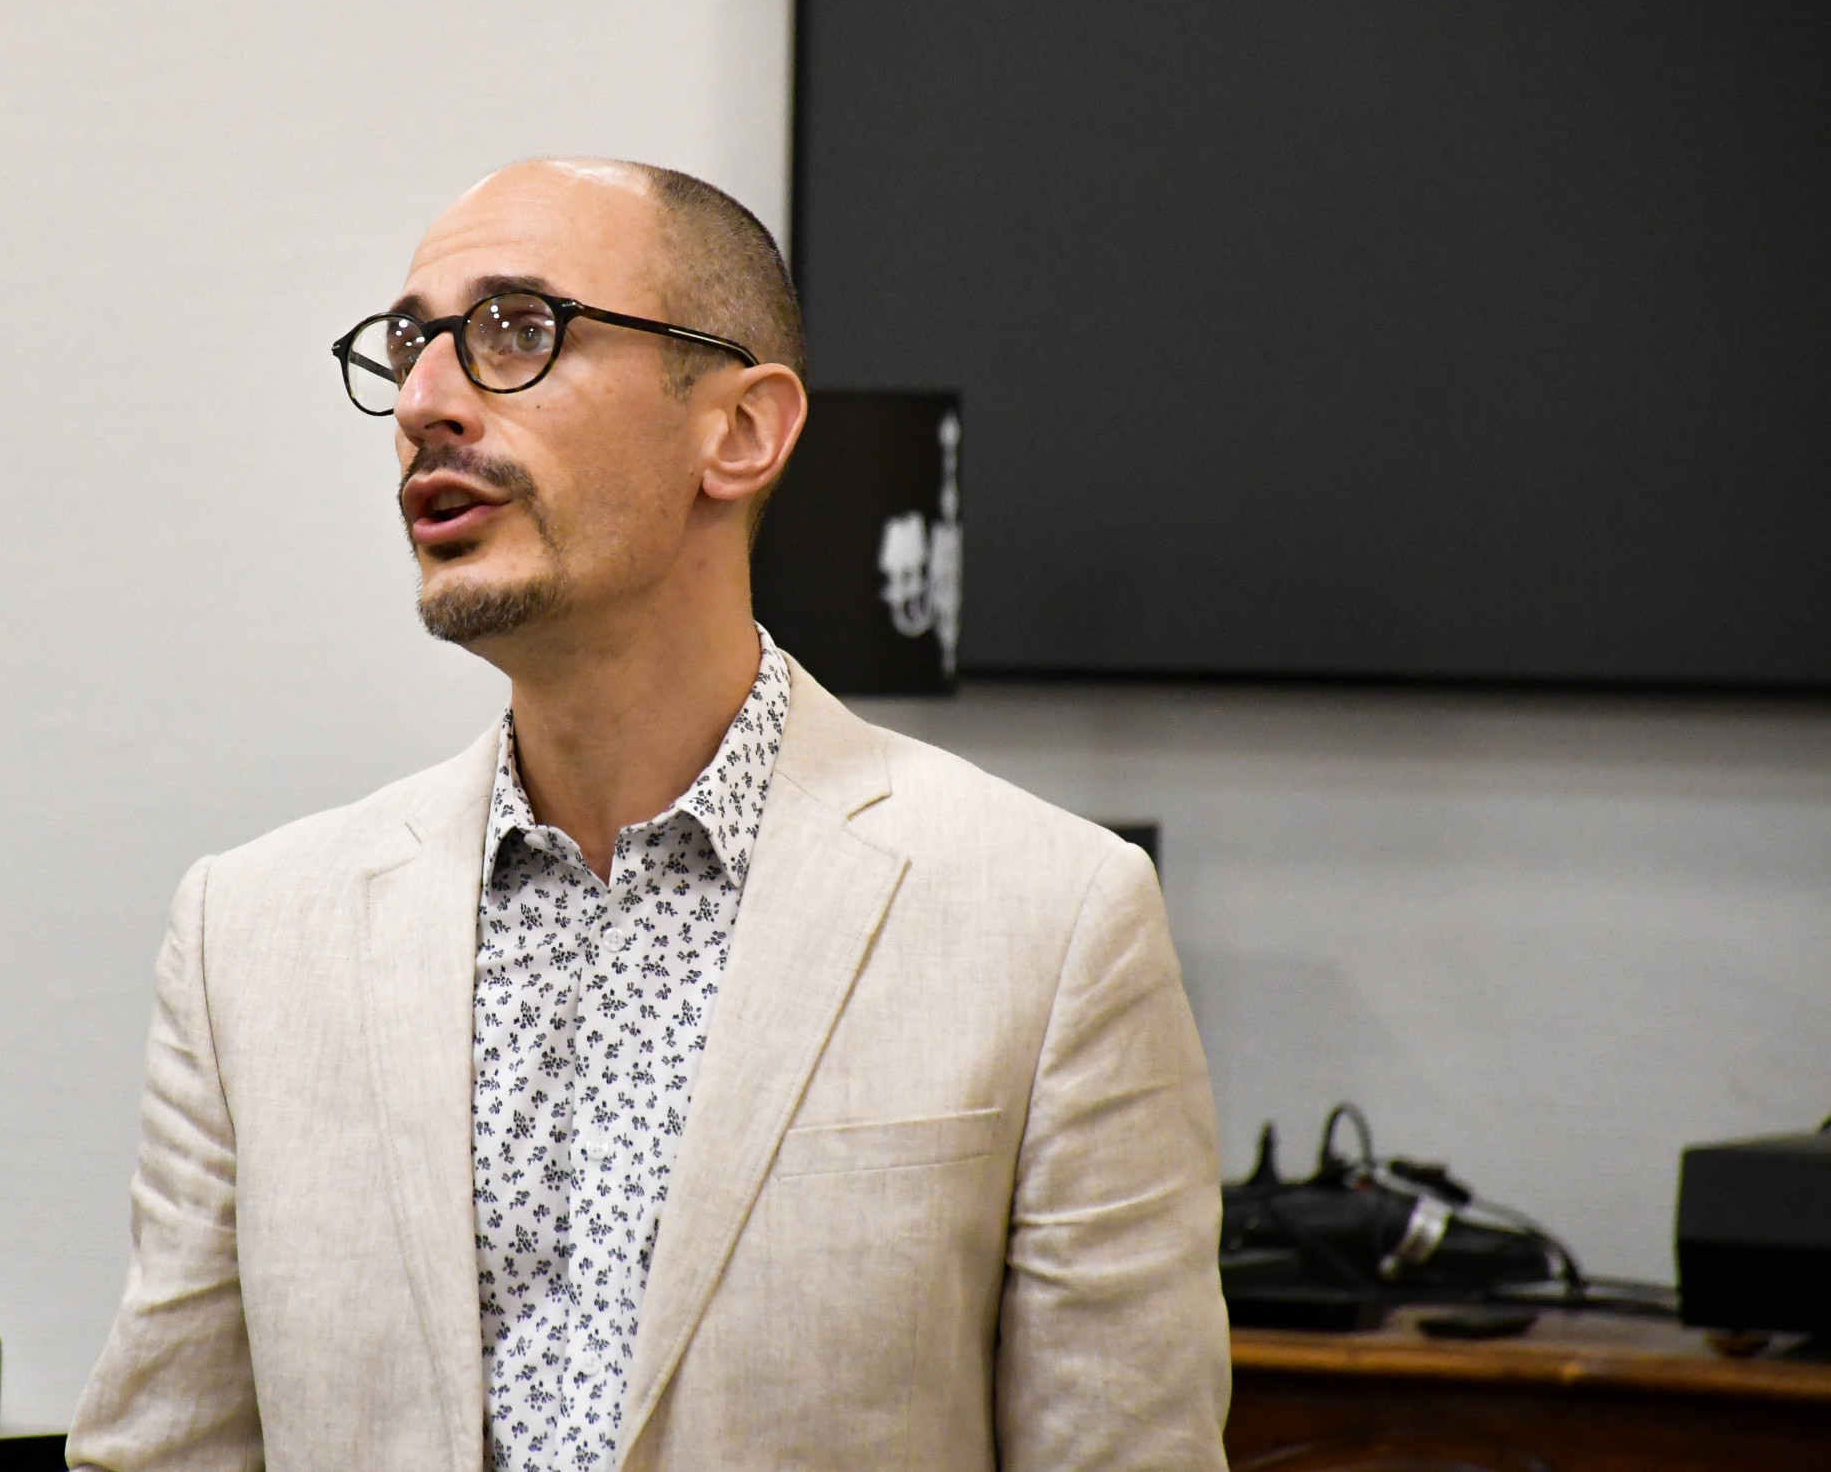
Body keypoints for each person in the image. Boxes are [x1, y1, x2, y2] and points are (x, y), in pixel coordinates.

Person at [68, 159, 1229, 1471]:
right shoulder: (250, 938)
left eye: (517, 329)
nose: (427, 402)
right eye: (408, 346)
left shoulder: (1050, 920)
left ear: (740, 430)